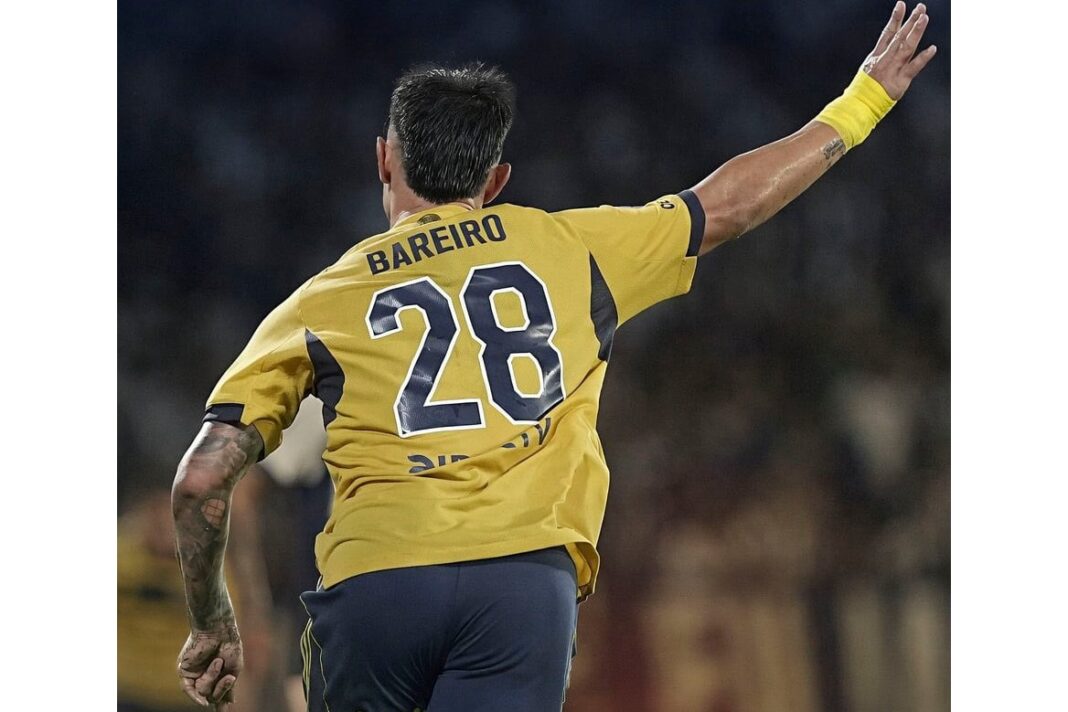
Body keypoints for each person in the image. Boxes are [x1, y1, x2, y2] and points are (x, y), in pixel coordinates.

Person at [171, 3, 936, 710]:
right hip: (521, 587)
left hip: (379, 583)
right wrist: (860, 104)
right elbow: (727, 204)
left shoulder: (320, 302)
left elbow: (203, 480)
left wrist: (213, 623)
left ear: (383, 160)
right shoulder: (572, 248)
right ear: (496, 181)